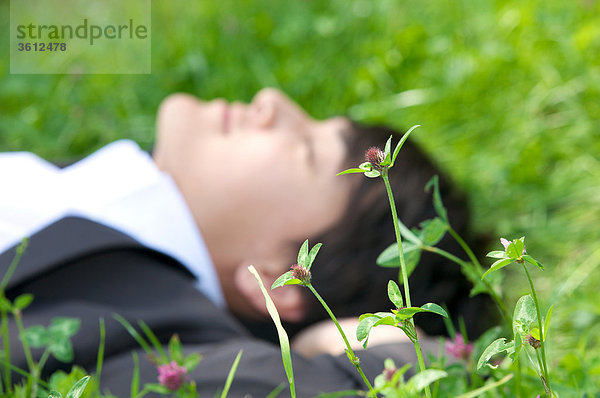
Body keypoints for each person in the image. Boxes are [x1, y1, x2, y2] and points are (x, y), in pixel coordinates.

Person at [0, 88, 491, 396]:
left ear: (278, 283)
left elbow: (415, 381)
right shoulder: (55, 182)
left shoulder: (169, 342)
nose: (271, 99)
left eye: (306, 150)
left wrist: (372, 341)